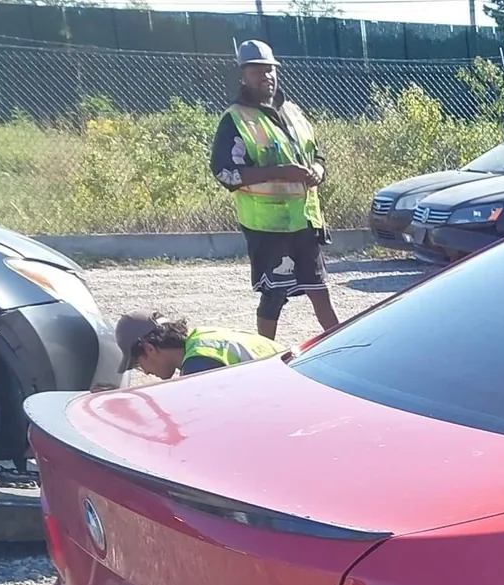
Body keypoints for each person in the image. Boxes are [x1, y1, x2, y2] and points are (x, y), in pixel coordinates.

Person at [208, 40, 341, 341]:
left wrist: (318, 170)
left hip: (304, 219)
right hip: (267, 226)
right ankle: (264, 351)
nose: (265, 76)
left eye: (269, 70)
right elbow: (225, 172)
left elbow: (316, 154)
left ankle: (342, 345)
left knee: (319, 288)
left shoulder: (293, 112)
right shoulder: (235, 119)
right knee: (274, 294)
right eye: (257, 71)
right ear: (243, 75)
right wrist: (280, 172)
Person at [115, 313, 281, 381]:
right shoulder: (204, 337)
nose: (145, 372)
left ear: (149, 349)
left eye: (137, 364)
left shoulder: (199, 364)